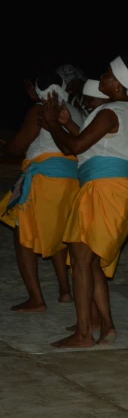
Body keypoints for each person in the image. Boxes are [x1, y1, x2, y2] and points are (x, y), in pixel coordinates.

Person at [45, 55, 128, 348]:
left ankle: (83, 334)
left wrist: (53, 125)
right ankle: (104, 326)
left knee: (80, 260)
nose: (101, 78)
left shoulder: (110, 111)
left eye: (106, 74)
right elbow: (97, 147)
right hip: (118, 186)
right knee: (89, 261)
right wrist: (67, 125)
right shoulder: (126, 111)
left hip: (105, 187)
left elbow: (76, 148)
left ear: (118, 82)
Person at [0, 74, 84, 311]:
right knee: (58, 233)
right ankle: (65, 291)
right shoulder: (72, 112)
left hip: (45, 177)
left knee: (22, 235)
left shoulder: (38, 109)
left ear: (38, 92)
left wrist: (8, 149)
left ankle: (36, 299)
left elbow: (19, 145)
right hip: (70, 179)